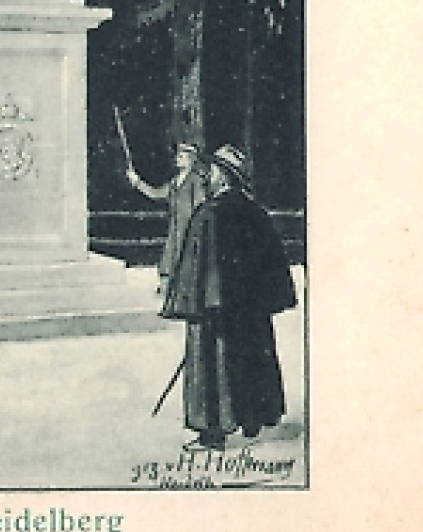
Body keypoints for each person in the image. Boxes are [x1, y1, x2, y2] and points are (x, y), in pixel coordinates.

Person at [161, 145, 298, 451]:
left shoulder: (208, 215)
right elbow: (273, 266)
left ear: (222, 177)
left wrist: (193, 305)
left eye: (211, 171)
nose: (207, 176)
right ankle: (253, 419)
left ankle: (213, 432)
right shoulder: (256, 212)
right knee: (253, 353)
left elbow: (197, 272)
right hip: (250, 308)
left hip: (217, 308)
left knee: (213, 362)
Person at [126, 142, 210, 294]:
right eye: (178, 155)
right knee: (170, 261)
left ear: (191, 159)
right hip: (175, 231)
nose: (177, 158)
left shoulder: (195, 181)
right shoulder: (174, 182)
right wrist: (137, 182)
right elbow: (156, 194)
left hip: (189, 231)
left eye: (181, 156)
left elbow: (200, 206)